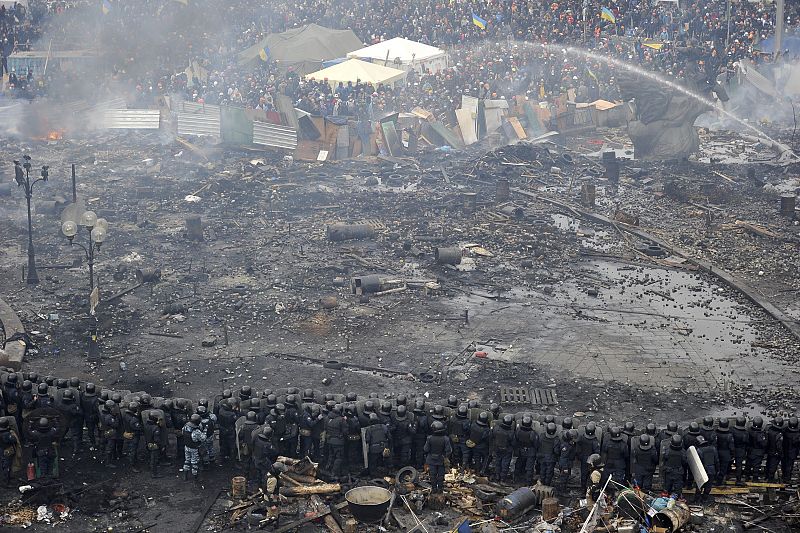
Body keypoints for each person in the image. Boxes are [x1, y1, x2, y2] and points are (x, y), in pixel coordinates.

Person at [424, 420, 452, 494]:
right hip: (441, 459)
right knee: (441, 476)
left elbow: (426, 449)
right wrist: (445, 457)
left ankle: (434, 489)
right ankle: (440, 489)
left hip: (431, 459)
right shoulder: (446, 439)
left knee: (432, 475)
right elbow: (448, 450)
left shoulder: (429, 438)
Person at [514, 415, 539, 484]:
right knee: (529, 467)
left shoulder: (518, 431)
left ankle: (516, 477)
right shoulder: (533, 433)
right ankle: (528, 481)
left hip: (521, 450)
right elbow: (536, 444)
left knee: (519, 463)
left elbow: (515, 440)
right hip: (530, 451)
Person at [324, 404, 347, 480]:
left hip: (329, 440)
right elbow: (345, 431)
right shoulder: (341, 420)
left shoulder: (327, 418)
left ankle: (327, 470)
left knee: (331, 456)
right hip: (338, 442)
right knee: (339, 458)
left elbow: (325, 428)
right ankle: (334, 474)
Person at [490, 414, 515, 482]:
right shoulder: (511, 432)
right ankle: (502, 478)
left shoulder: (496, 428)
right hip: (506, 450)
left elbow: (492, 436)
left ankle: (497, 475)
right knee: (505, 464)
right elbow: (513, 443)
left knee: (497, 462)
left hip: (497, 448)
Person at [576, 423, 600, 493]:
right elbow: (597, 453)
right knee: (592, 474)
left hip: (584, 458)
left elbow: (578, 449)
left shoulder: (581, 438)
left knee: (583, 474)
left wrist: (580, 456)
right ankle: (590, 489)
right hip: (592, 459)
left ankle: (583, 488)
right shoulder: (595, 441)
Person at [695, 435, 719, 504]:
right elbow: (716, 461)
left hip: (703, 471)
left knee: (700, 485)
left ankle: (697, 500)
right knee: (708, 486)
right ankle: (704, 499)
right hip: (712, 470)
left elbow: (698, 463)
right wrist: (717, 470)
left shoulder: (699, 451)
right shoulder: (713, 449)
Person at [182, 413, 206, 483]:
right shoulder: (196, 431)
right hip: (194, 449)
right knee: (194, 463)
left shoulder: (185, 427)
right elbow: (203, 438)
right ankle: (195, 478)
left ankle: (185, 475)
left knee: (187, 460)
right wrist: (204, 432)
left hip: (186, 447)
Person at [390, 405, 415, 469]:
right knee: (404, 455)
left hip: (396, 440)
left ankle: (396, 467)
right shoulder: (408, 421)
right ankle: (403, 468)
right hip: (405, 441)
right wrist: (414, 426)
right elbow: (412, 432)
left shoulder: (393, 419)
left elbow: (391, 430)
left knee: (396, 454)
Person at [122, 401, 143, 472]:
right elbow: (139, 428)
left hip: (128, 433)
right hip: (133, 436)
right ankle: (133, 465)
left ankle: (133, 461)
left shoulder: (125, 415)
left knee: (130, 450)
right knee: (132, 451)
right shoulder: (134, 420)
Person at [556, 428, 578, 494]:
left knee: (566, 476)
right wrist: (565, 468)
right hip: (565, 464)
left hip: (568, 463)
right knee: (564, 478)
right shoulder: (566, 446)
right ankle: (562, 491)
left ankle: (564, 488)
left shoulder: (570, 444)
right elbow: (563, 457)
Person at [745, 416, 767, 481]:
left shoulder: (749, 431)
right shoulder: (760, 434)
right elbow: (764, 444)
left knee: (748, 464)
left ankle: (747, 477)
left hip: (750, 450)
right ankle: (755, 478)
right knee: (756, 466)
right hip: (758, 452)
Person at [99, 400, 120, 468]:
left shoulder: (102, 413)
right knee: (109, 448)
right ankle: (108, 463)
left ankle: (102, 457)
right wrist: (116, 417)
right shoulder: (110, 417)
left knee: (102, 445)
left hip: (103, 431)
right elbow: (116, 425)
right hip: (110, 433)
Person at [0, 417, 20, 487]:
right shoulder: (6, 434)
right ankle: (6, 483)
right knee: (7, 466)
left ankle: (7, 479)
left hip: (2, 450)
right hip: (7, 451)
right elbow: (13, 440)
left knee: (4, 465)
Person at [538, 422, 560, 486]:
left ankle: (541, 483)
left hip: (542, 457)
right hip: (551, 459)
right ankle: (547, 485)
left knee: (542, 470)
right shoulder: (556, 439)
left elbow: (538, 445)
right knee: (549, 472)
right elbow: (556, 451)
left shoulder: (542, 436)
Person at [143, 411, 163, 478]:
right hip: (154, 445)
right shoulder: (156, 428)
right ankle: (154, 474)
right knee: (154, 459)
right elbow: (157, 439)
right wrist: (160, 445)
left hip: (148, 442)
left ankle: (149, 468)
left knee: (150, 457)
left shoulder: (146, 424)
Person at [80, 383, 99, 450]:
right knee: (99, 428)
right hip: (95, 416)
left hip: (87, 416)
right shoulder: (96, 399)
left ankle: (93, 443)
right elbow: (97, 409)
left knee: (90, 431)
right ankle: (100, 441)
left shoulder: (82, 396)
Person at [716, 418, 735, 484]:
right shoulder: (729, 436)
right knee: (723, 468)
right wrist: (732, 454)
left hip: (717, 452)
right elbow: (731, 447)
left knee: (716, 466)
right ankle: (720, 481)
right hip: (726, 454)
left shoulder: (715, 433)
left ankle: (715, 479)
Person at [782, 417, 799, 487]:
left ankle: (784, 476)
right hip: (792, 452)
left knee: (784, 464)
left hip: (784, 450)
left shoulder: (785, 431)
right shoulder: (797, 435)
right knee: (789, 466)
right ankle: (787, 479)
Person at [765, 417, 784, 482]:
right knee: (773, 466)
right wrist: (781, 454)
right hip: (776, 452)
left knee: (768, 463)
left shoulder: (769, 430)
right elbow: (779, 446)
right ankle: (770, 479)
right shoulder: (779, 434)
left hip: (769, 450)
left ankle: (766, 477)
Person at [732, 416, 749, 485]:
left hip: (732, 449)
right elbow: (747, 442)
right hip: (741, 451)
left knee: (727, 463)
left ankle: (725, 476)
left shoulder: (732, 430)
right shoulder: (745, 433)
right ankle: (738, 480)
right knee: (739, 466)